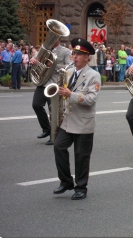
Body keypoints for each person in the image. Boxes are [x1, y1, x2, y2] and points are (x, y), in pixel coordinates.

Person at [53, 38, 101, 200]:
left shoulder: (94, 76)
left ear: (87, 57)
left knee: (81, 157)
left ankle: (81, 187)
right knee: (59, 147)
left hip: (83, 123)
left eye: (79, 54)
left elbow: (90, 100)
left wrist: (70, 95)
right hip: (67, 121)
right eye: (74, 53)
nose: (75, 57)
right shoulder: (69, 72)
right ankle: (66, 181)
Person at [30, 38, 72, 145]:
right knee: (36, 105)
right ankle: (46, 129)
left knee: (53, 111)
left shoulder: (65, 51)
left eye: (54, 36)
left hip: (55, 84)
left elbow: (70, 66)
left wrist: (53, 65)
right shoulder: (44, 49)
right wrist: (34, 61)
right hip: (42, 82)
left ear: (58, 38)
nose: (51, 38)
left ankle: (54, 135)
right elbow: (35, 59)